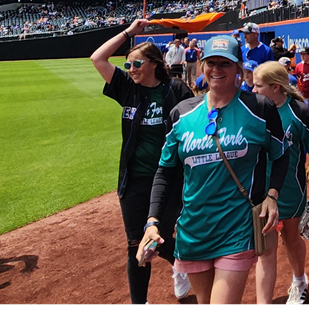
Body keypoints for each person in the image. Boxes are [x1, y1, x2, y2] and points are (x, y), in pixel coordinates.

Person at [137, 35, 289, 306]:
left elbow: (280, 155)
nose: (217, 70)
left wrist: (272, 194)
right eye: (211, 63)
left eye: (225, 64)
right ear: (201, 66)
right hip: (194, 230)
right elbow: (165, 172)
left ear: (238, 68)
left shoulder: (259, 108)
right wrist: (152, 222)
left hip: (237, 227)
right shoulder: (181, 114)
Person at [91, 19, 194, 305]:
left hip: (168, 178)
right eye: (128, 65)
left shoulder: (175, 91)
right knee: (135, 243)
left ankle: (181, 263)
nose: (131, 70)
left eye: (136, 64)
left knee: (159, 235)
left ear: (153, 63)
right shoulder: (127, 88)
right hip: (134, 178)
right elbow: (97, 58)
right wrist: (129, 33)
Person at [250, 62, 309, 305]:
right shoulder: (254, 110)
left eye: (258, 85)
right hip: (261, 190)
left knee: (291, 240)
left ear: (275, 87)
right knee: (265, 249)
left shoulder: (299, 111)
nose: (252, 90)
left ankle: (299, 280)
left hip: (291, 190)